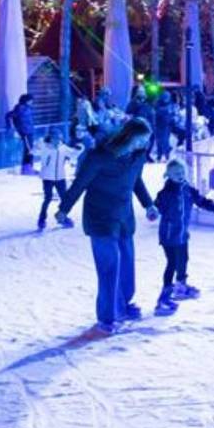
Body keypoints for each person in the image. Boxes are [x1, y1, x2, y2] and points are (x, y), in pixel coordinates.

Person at [57, 117, 158, 334]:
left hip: (124, 216)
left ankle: (123, 304)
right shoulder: (100, 157)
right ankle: (107, 316)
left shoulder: (138, 156)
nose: (145, 144)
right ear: (129, 136)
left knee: (127, 262)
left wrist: (148, 204)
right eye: (142, 140)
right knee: (109, 266)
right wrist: (63, 208)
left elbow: (136, 181)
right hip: (100, 215)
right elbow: (80, 183)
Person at [147, 158, 214, 316]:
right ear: (168, 175)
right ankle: (163, 299)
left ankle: (181, 286)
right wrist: (153, 214)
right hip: (169, 235)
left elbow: (203, 202)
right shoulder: (165, 193)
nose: (179, 176)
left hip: (182, 234)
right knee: (172, 263)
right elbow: (156, 207)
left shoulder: (188, 189)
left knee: (184, 259)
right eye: (175, 174)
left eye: (181, 173)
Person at [35, 129, 82, 230]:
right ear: (50, 138)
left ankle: (62, 217)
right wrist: (37, 145)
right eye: (54, 138)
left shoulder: (63, 148)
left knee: (64, 199)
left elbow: (73, 154)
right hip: (47, 177)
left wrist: (79, 149)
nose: (56, 140)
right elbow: (34, 152)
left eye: (58, 138)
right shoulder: (44, 147)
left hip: (60, 177)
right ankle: (41, 219)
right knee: (48, 198)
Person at [7, 94, 36, 175]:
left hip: (30, 131)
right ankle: (27, 169)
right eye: (30, 100)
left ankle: (28, 168)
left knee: (30, 150)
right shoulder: (20, 108)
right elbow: (9, 115)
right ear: (26, 100)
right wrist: (10, 127)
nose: (32, 102)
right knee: (29, 150)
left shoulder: (28, 108)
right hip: (25, 132)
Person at [153, 93, 175, 162]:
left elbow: (172, 117)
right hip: (160, 126)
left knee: (164, 141)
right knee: (160, 141)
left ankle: (165, 155)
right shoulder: (159, 106)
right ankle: (161, 155)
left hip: (166, 126)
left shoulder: (170, 106)